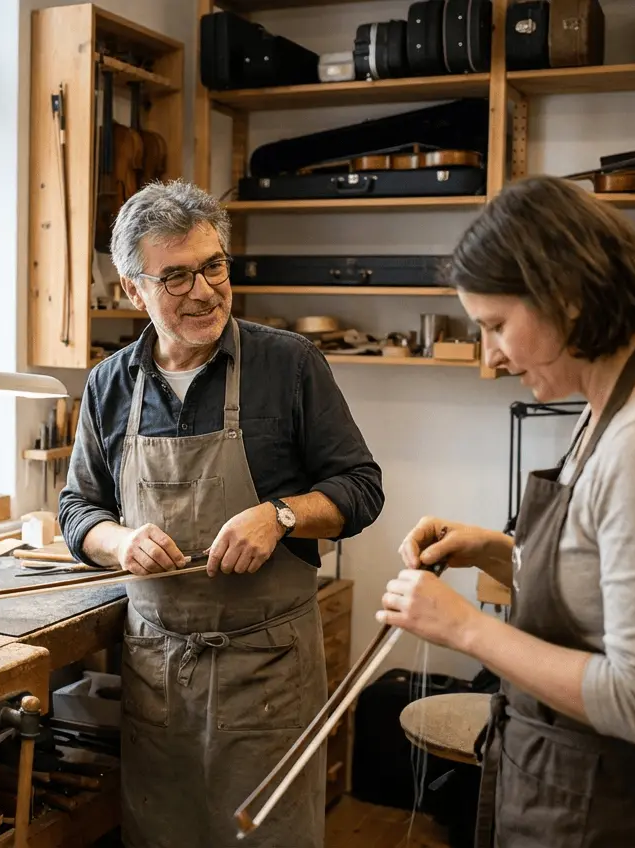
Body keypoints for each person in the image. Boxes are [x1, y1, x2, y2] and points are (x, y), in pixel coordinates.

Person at [378, 175, 635, 848]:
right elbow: (602, 587)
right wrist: (497, 551)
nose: (490, 357)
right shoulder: (608, 404)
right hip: (578, 794)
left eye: (496, 326)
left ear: (569, 300)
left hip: (634, 816)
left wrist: (466, 630)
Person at [58, 179, 384, 847]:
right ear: (133, 289)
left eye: (212, 266)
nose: (203, 291)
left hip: (266, 668)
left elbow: (361, 487)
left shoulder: (288, 364)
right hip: (156, 673)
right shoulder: (109, 384)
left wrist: (282, 517)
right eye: (175, 277)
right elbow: (76, 507)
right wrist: (119, 543)